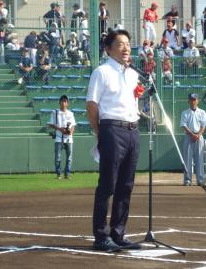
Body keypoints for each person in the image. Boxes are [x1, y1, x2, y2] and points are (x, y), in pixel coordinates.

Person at [87, 29, 142, 251]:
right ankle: (101, 236)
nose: (126, 48)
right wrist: (99, 131)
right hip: (111, 128)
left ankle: (118, 233)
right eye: (120, 44)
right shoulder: (101, 72)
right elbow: (92, 104)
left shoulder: (132, 74)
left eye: (128, 43)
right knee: (108, 184)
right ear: (108, 49)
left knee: (126, 185)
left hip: (132, 129)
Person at [180, 93, 206, 186]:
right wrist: (192, 134)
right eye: (191, 99)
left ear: (197, 101)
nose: (193, 101)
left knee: (199, 158)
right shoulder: (185, 112)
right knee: (187, 159)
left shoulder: (202, 112)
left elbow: (203, 126)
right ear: (188, 101)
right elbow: (183, 125)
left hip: (199, 137)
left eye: (194, 99)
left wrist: (198, 134)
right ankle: (187, 180)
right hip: (189, 136)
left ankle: (200, 180)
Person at [48, 95, 76, 180]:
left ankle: (67, 174)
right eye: (62, 101)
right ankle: (58, 174)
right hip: (59, 138)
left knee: (69, 157)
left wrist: (71, 131)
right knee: (58, 157)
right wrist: (60, 129)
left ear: (68, 103)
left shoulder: (71, 113)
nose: (63, 103)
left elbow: (73, 125)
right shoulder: (55, 112)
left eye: (65, 101)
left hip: (69, 138)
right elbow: (51, 124)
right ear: (59, 102)